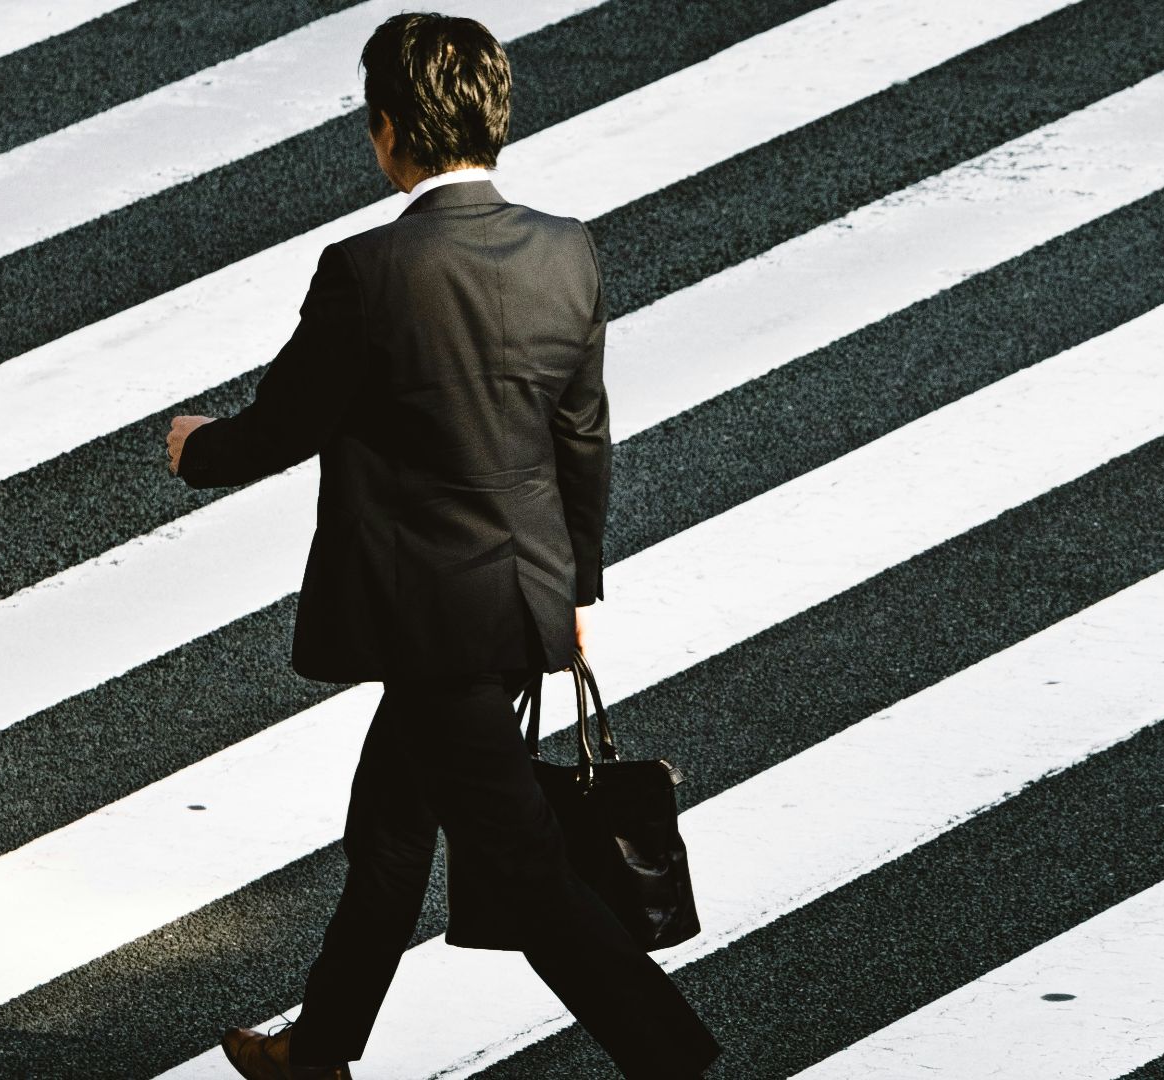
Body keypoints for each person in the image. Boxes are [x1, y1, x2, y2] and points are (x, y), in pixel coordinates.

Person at [165, 11, 721, 1080]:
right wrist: (574, 591)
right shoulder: (565, 250)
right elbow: (582, 437)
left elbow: (285, 426)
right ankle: (318, 1053)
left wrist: (197, 449)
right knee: (388, 832)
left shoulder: (369, 269)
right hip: (517, 602)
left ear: (388, 130)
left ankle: (675, 1062)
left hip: (426, 624)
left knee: (530, 873)